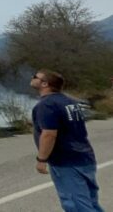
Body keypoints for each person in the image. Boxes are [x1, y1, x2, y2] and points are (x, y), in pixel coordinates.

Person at [31, 69, 104, 212]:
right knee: (90, 203)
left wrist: (41, 159)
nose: (32, 78)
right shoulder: (70, 101)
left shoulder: (46, 105)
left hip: (66, 162)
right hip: (84, 157)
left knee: (76, 206)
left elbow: (49, 134)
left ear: (45, 83)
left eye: (35, 77)